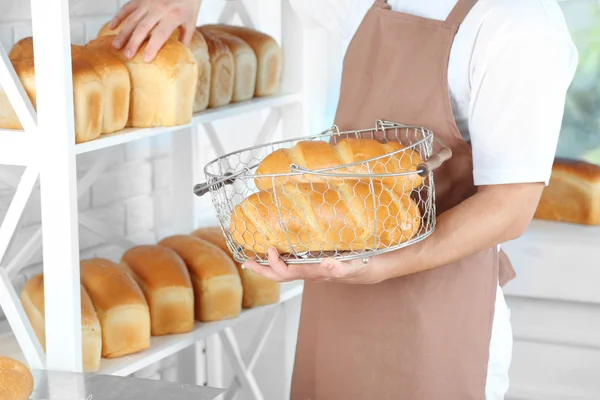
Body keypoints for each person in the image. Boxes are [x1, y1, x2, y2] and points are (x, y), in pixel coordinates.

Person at [110, 0, 577, 398]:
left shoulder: (519, 23)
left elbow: (510, 207)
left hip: (438, 318)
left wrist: (383, 266)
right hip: (336, 306)